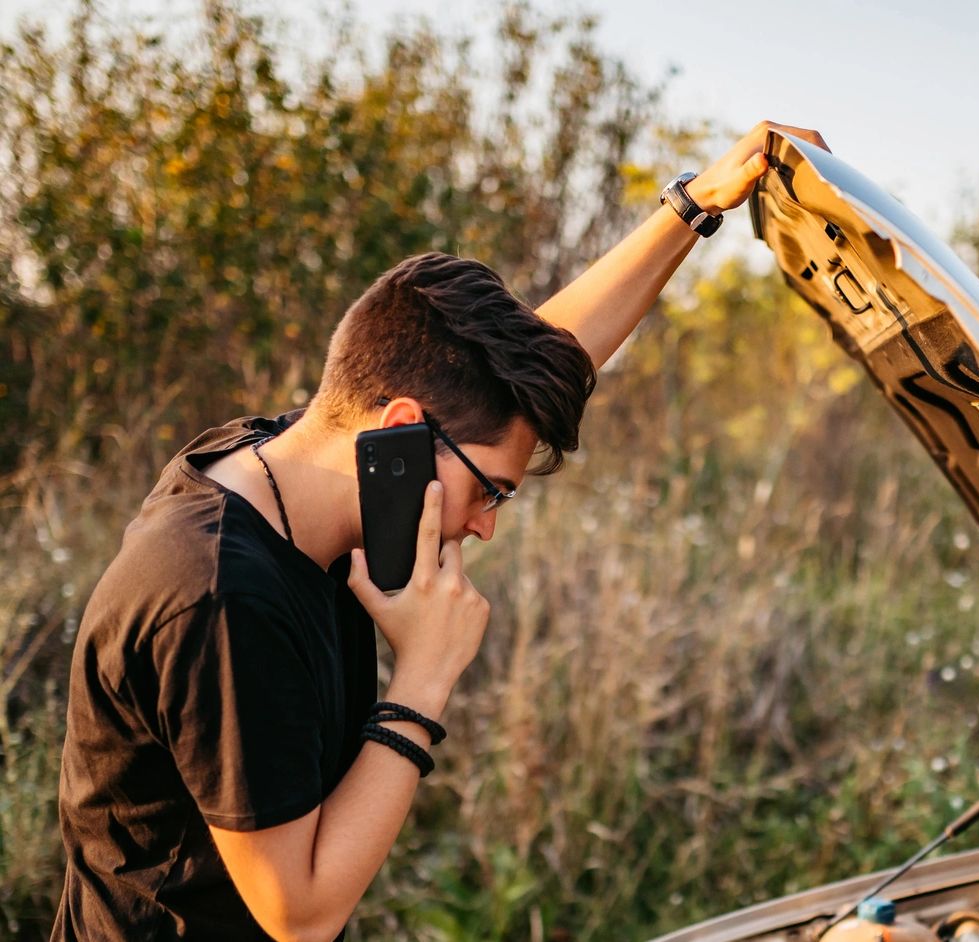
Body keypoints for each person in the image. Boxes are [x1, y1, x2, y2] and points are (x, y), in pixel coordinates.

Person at [49, 121, 829, 941]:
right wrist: (424, 678)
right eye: (491, 491)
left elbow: (531, 373)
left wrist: (694, 205)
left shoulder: (293, 465)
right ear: (401, 428)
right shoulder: (218, 597)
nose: (486, 526)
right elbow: (301, 914)